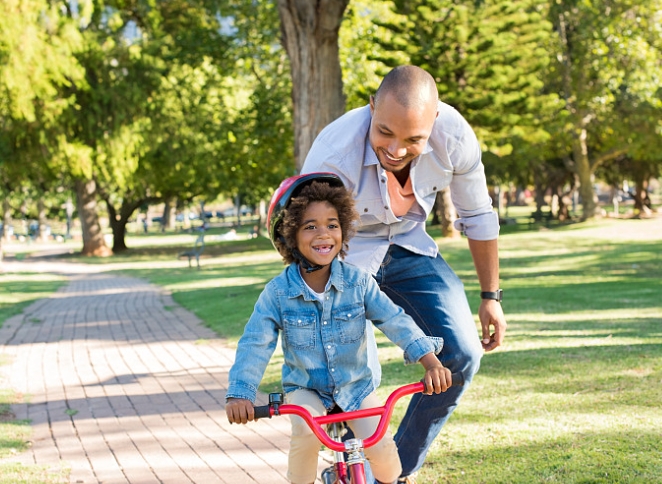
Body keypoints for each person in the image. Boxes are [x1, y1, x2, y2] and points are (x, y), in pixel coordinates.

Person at [301, 65, 508, 483]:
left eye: (413, 139)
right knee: (348, 372)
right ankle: (347, 463)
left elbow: (478, 216)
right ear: (372, 106)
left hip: (410, 243)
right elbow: (307, 238)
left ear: (433, 121)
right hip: (344, 252)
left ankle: (391, 473)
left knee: (462, 354)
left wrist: (491, 297)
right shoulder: (331, 155)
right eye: (384, 133)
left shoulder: (455, 137)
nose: (395, 149)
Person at [225, 173, 453, 484]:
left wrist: (431, 361)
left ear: (343, 230)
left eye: (332, 224)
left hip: (356, 385)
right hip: (306, 389)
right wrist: (241, 395)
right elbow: (255, 343)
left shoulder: (358, 283)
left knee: (382, 447)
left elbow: (394, 319)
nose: (324, 234)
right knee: (305, 433)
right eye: (310, 226)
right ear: (289, 235)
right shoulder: (277, 294)